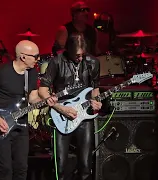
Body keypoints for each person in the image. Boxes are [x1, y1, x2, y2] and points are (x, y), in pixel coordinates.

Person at [0, 40, 57, 180]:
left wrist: (46, 101)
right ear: (23, 57)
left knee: (22, 168)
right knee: (4, 168)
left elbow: (32, 97)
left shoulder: (32, 73)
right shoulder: (2, 72)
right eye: (36, 56)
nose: (38, 59)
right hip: (1, 122)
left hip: (21, 123)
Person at [39, 33, 102, 180]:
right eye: (76, 55)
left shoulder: (93, 62)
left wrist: (96, 102)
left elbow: (95, 89)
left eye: (82, 55)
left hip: (84, 116)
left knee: (86, 163)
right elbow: (43, 91)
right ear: (68, 50)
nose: (79, 58)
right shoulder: (56, 62)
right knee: (60, 163)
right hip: (61, 113)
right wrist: (61, 109)